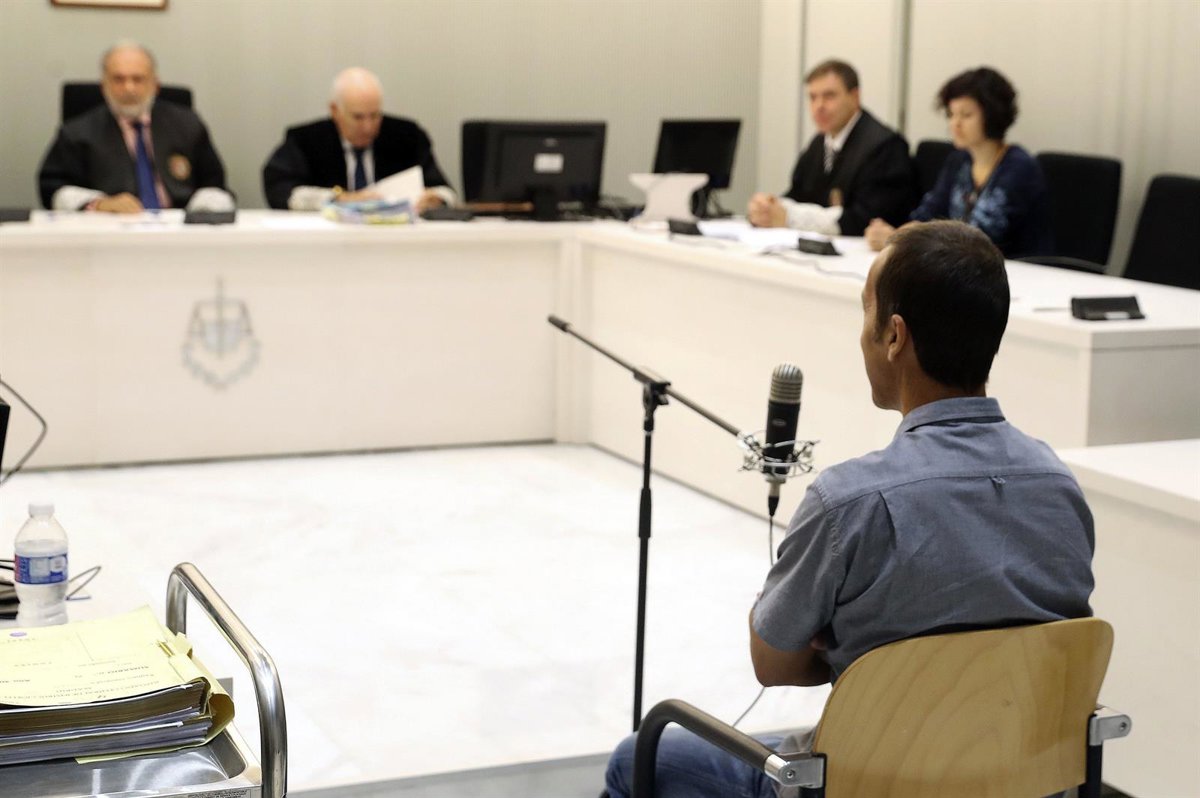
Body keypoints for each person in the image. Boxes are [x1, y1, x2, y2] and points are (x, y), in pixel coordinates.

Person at [603, 221, 1095, 798]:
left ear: (894, 336)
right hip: (1020, 783)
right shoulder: (1059, 488)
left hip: (863, 784)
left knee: (638, 755)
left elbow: (774, 664)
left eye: (865, 312)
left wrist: (846, 650)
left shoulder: (849, 503)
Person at [865, 67, 1052, 258]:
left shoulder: (1019, 167)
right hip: (962, 263)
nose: (955, 123)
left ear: (992, 116)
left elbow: (983, 236)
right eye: (951, 114)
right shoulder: (959, 160)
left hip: (1016, 268)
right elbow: (929, 214)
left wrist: (901, 239)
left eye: (966, 115)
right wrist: (897, 234)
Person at [38, 42, 232, 213]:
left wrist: (203, 208)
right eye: (118, 79)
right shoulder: (76, 132)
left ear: (155, 85)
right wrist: (99, 204)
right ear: (103, 85)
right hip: (108, 230)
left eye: (138, 79)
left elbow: (215, 185)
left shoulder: (188, 125)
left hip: (179, 230)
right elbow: (52, 188)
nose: (129, 88)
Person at [747, 60, 917, 236]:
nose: (819, 106)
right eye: (813, 97)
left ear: (855, 97)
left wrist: (790, 217)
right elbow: (798, 194)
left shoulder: (885, 146)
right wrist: (768, 208)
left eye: (829, 96)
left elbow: (866, 219)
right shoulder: (819, 142)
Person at [262, 67, 454, 211]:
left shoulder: (407, 136)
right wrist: (338, 198)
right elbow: (280, 190)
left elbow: (446, 191)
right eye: (358, 117)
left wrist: (436, 198)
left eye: (375, 115)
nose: (368, 126)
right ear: (335, 111)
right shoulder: (307, 140)